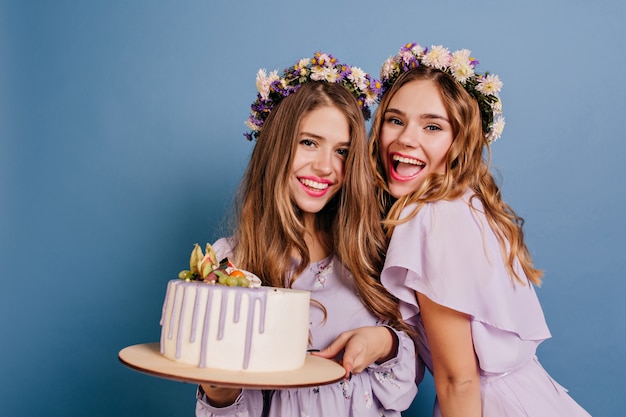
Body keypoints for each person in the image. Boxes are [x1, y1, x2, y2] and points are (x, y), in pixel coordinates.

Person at [369, 42, 593, 417]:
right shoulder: (465, 202)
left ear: (460, 141)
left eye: (432, 126)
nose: (407, 138)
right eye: (395, 120)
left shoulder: (431, 218)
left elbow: (460, 380)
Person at [195, 52, 417, 417]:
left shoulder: (371, 252)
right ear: (278, 146)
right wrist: (219, 391)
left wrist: (385, 342)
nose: (326, 167)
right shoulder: (228, 266)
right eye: (309, 143)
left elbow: (410, 373)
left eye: (342, 151)